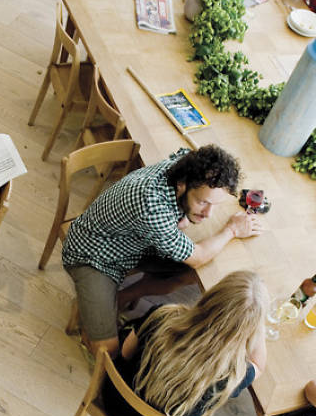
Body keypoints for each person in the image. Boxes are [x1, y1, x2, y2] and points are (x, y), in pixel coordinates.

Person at [62, 145, 262, 357]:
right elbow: (199, 256)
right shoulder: (152, 205)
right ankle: (92, 317)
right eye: (203, 202)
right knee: (108, 352)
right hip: (93, 256)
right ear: (182, 185)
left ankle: (120, 297)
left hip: (133, 245)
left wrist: (184, 216)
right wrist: (232, 229)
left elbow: (182, 153)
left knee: (190, 275)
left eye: (215, 204)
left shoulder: (184, 164)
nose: (208, 214)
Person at [102, 270, 268, 416]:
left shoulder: (164, 315)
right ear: (249, 329)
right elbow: (259, 365)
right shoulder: (232, 374)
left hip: (112, 398)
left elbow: (126, 352)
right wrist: (258, 324)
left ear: (212, 295)